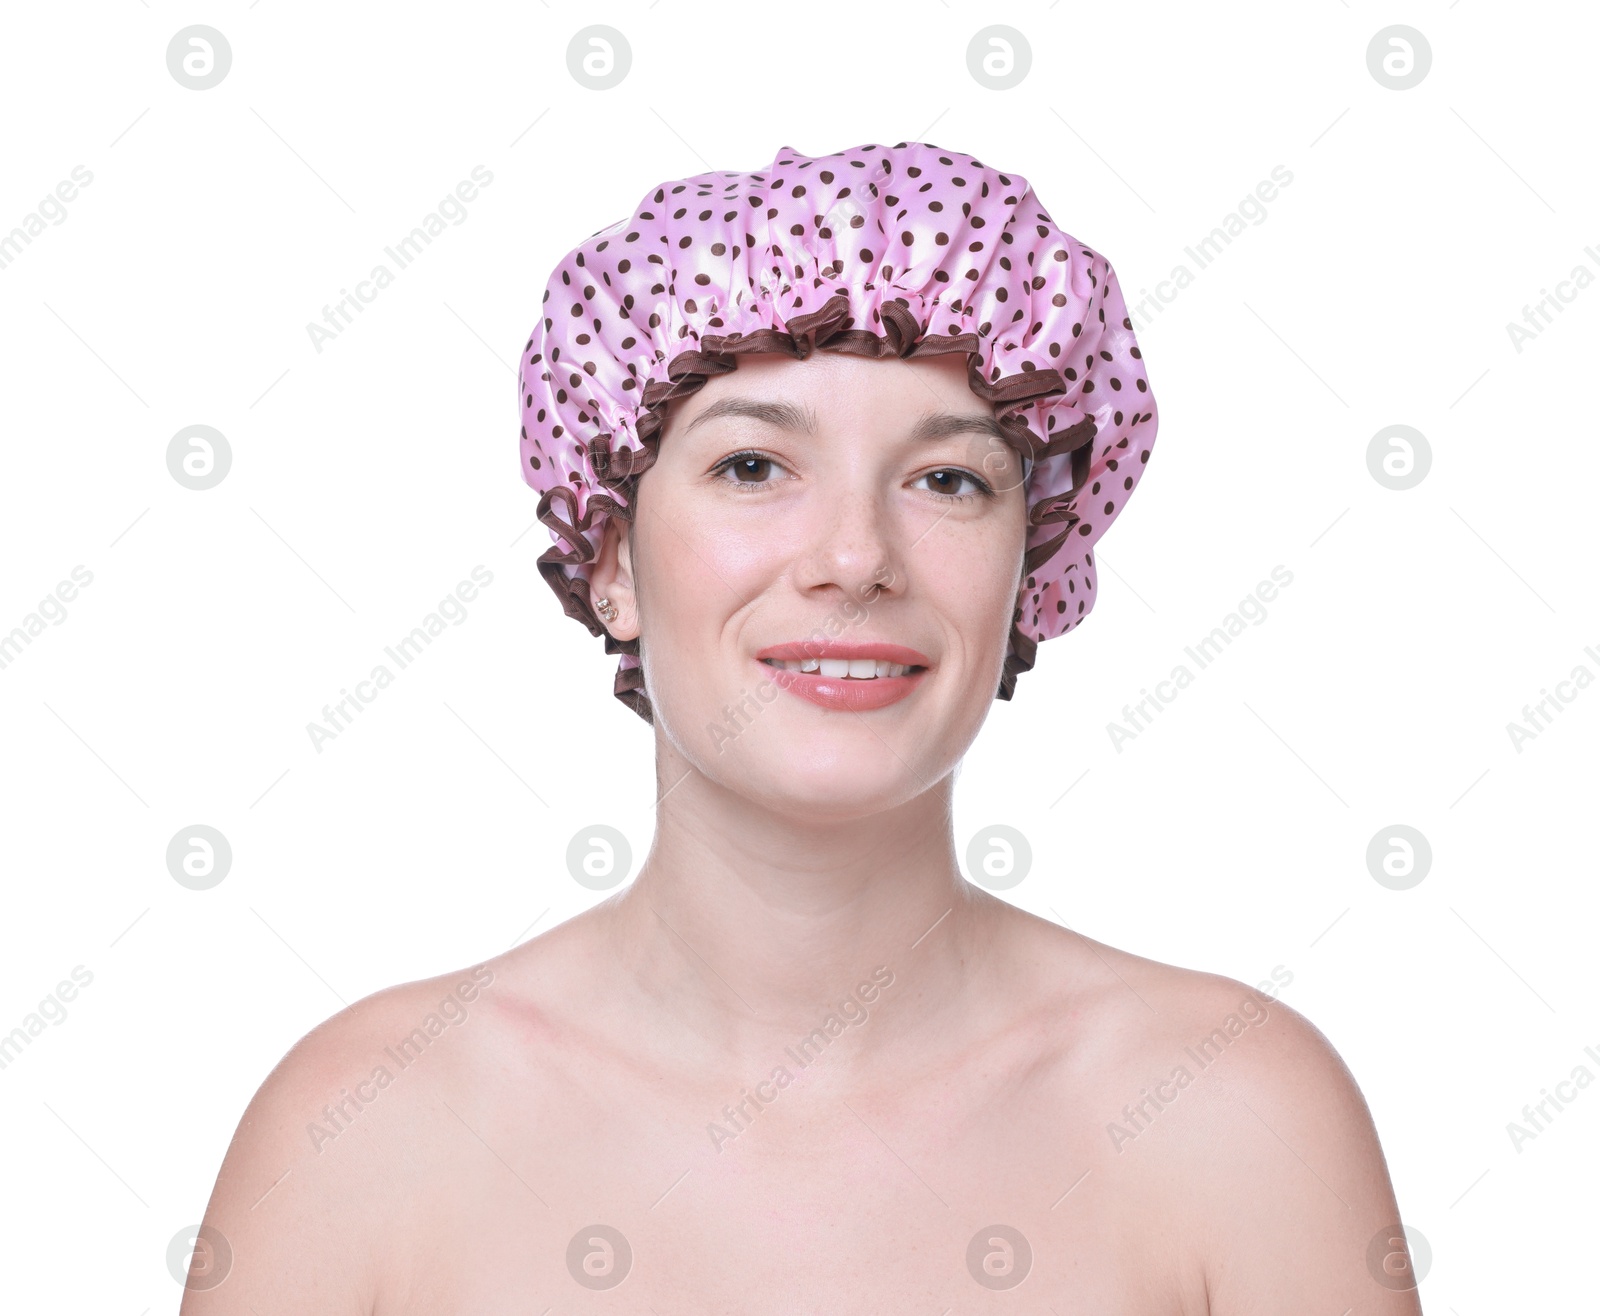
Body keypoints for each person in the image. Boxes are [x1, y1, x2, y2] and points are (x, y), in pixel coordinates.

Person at [182, 142, 1422, 1312]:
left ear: (1031, 564)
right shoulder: (362, 1126)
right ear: (606, 557)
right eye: (752, 468)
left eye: (948, 480)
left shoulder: (1234, 1117)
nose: (853, 557)